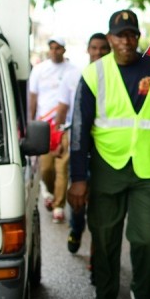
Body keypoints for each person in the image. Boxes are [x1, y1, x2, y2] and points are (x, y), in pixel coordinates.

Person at [67, 9, 150, 299]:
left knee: (147, 237)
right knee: (105, 242)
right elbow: (79, 129)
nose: (126, 41)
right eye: (120, 36)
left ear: (138, 37)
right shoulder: (94, 73)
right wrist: (78, 178)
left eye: (132, 34)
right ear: (110, 39)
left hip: (149, 168)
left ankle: (141, 293)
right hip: (107, 166)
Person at [54, 32, 111, 254]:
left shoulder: (114, 78)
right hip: (78, 143)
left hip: (104, 148)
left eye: (103, 48)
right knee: (78, 195)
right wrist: (58, 138)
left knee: (100, 203)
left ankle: (97, 255)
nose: (98, 52)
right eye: (94, 48)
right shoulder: (74, 76)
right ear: (88, 50)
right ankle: (76, 229)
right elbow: (62, 108)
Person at [29, 35, 80, 223]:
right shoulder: (39, 70)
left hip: (65, 126)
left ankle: (59, 206)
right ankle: (50, 192)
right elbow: (33, 98)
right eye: (52, 48)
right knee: (46, 168)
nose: (54, 51)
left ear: (64, 50)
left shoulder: (73, 71)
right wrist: (30, 123)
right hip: (44, 127)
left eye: (58, 48)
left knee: (62, 167)